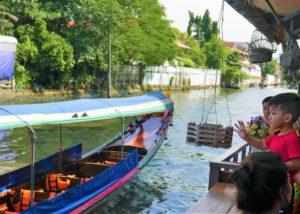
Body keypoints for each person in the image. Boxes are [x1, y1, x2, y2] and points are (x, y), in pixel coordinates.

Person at [235, 93, 300, 213]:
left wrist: (274, 167)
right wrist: (246, 137)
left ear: (287, 118)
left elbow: (297, 163)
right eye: (269, 113)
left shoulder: (292, 139)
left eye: (273, 113)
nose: (269, 117)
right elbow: (263, 145)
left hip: (283, 187)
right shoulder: (277, 134)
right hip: (270, 183)